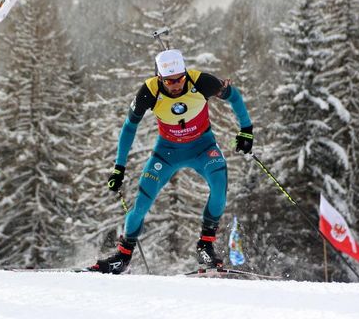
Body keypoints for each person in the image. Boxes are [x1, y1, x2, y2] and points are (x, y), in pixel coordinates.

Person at [90, 49, 253, 274]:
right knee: (141, 204)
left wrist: (246, 130)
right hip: (167, 152)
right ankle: (123, 256)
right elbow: (129, 127)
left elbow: (233, 96)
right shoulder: (148, 91)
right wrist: (119, 168)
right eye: (169, 81)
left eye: (179, 79)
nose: (176, 85)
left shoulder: (202, 81)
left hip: (203, 148)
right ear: (159, 78)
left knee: (219, 186)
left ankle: (205, 245)